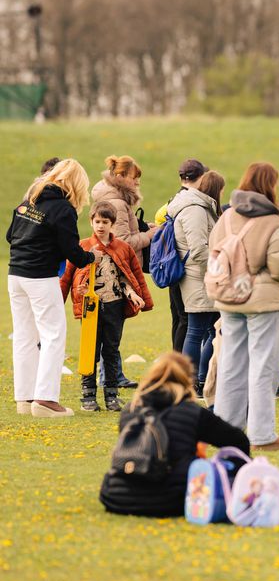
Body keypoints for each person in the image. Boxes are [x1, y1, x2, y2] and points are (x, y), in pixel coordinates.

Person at [99, 352, 279, 517]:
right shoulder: (189, 410)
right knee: (227, 476)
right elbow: (237, 441)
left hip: (115, 496)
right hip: (172, 498)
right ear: (186, 380)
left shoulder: (131, 410)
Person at [211, 163, 279, 450]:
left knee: (230, 365)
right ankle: (262, 434)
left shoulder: (226, 216)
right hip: (261, 300)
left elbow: (214, 251)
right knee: (264, 366)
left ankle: (226, 431)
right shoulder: (273, 220)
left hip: (228, 296)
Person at [8, 159, 96, 417]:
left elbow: (10, 236)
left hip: (15, 275)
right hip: (40, 276)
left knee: (25, 336)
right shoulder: (63, 209)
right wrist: (92, 257)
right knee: (53, 335)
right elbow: (73, 252)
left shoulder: (29, 200)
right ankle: (45, 400)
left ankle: (24, 399)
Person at [61, 201, 153, 412]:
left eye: (105, 222)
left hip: (115, 306)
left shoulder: (123, 248)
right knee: (90, 351)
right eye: (97, 221)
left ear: (112, 224)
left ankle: (111, 395)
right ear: (91, 222)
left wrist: (135, 295)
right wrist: (63, 297)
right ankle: (88, 396)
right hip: (90, 308)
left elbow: (129, 276)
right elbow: (67, 277)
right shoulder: (83, 247)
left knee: (111, 350)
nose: (101, 226)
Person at [92, 154, 159, 388]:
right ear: (120, 177)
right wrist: (149, 236)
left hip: (109, 271)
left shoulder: (111, 198)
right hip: (117, 271)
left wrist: (142, 227)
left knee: (110, 325)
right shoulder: (118, 204)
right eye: (134, 178)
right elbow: (122, 241)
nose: (137, 183)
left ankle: (111, 374)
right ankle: (110, 376)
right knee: (112, 327)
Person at [168, 167, 224, 393]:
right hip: (199, 277)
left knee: (212, 330)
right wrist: (218, 270)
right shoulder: (195, 210)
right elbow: (199, 249)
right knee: (198, 330)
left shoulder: (197, 206)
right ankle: (191, 381)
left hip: (200, 275)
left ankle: (201, 379)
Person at [165, 158, 208, 353]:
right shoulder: (192, 204)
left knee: (179, 319)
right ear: (202, 177)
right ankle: (181, 370)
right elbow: (197, 246)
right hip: (186, 268)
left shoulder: (174, 201)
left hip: (173, 264)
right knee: (187, 322)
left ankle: (176, 368)